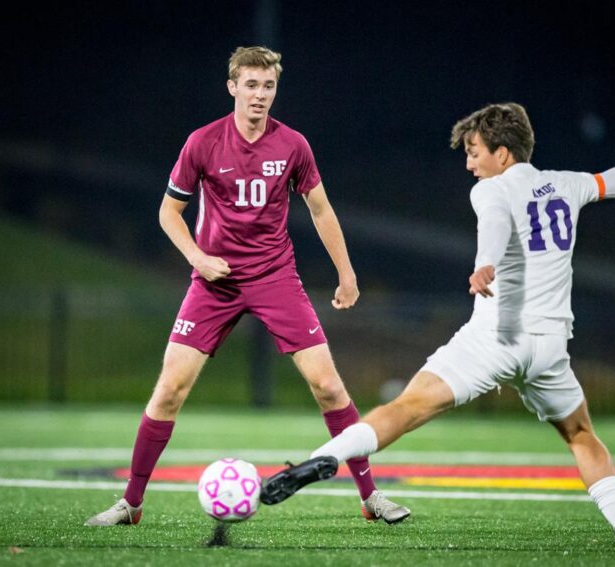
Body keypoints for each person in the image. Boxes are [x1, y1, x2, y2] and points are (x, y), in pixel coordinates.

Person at [260, 103, 615, 553]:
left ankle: (321, 460)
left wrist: (486, 264)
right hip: (551, 348)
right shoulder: (569, 183)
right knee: (581, 435)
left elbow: (496, 223)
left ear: (503, 154)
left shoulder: (491, 190)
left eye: (474, 151)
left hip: (497, 339)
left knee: (406, 408)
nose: (468, 162)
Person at [85, 46, 410, 527]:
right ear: (232, 87)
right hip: (214, 282)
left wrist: (347, 272)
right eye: (251, 85)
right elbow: (168, 213)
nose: (260, 95)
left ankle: (370, 496)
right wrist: (198, 257)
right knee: (170, 388)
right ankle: (130, 503)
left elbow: (321, 210)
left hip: (276, 277)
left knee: (327, 385)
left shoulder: (293, 145)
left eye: (269, 86)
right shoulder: (202, 142)